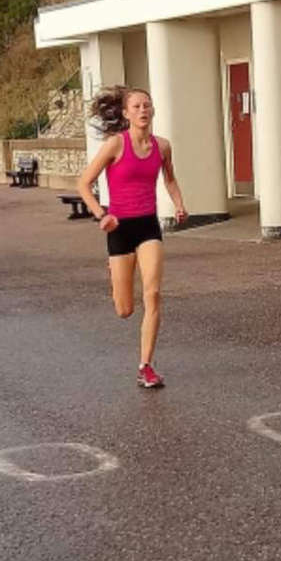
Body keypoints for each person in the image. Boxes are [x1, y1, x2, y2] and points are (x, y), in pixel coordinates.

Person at [77, 86, 187, 388]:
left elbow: (170, 179)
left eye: (147, 105)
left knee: (152, 294)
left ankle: (146, 366)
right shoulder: (115, 145)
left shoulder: (162, 146)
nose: (143, 110)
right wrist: (102, 214)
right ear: (126, 113)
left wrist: (178, 204)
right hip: (119, 227)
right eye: (137, 106)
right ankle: (115, 271)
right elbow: (84, 184)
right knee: (124, 309)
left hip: (148, 226)